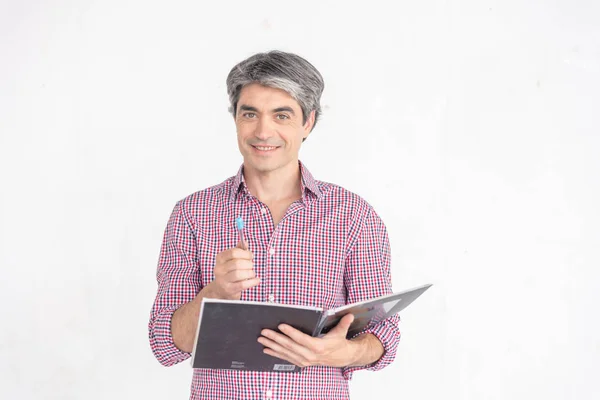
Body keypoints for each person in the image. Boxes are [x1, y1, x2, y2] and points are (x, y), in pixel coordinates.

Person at [148, 50, 400, 400]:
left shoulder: (353, 216)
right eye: (250, 113)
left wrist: (345, 352)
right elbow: (165, 342)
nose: (263, 131)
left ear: (308, 122)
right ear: (235, 119)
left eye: (282, 115)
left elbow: (384, 334)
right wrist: (216, 293)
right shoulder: (193, 213)